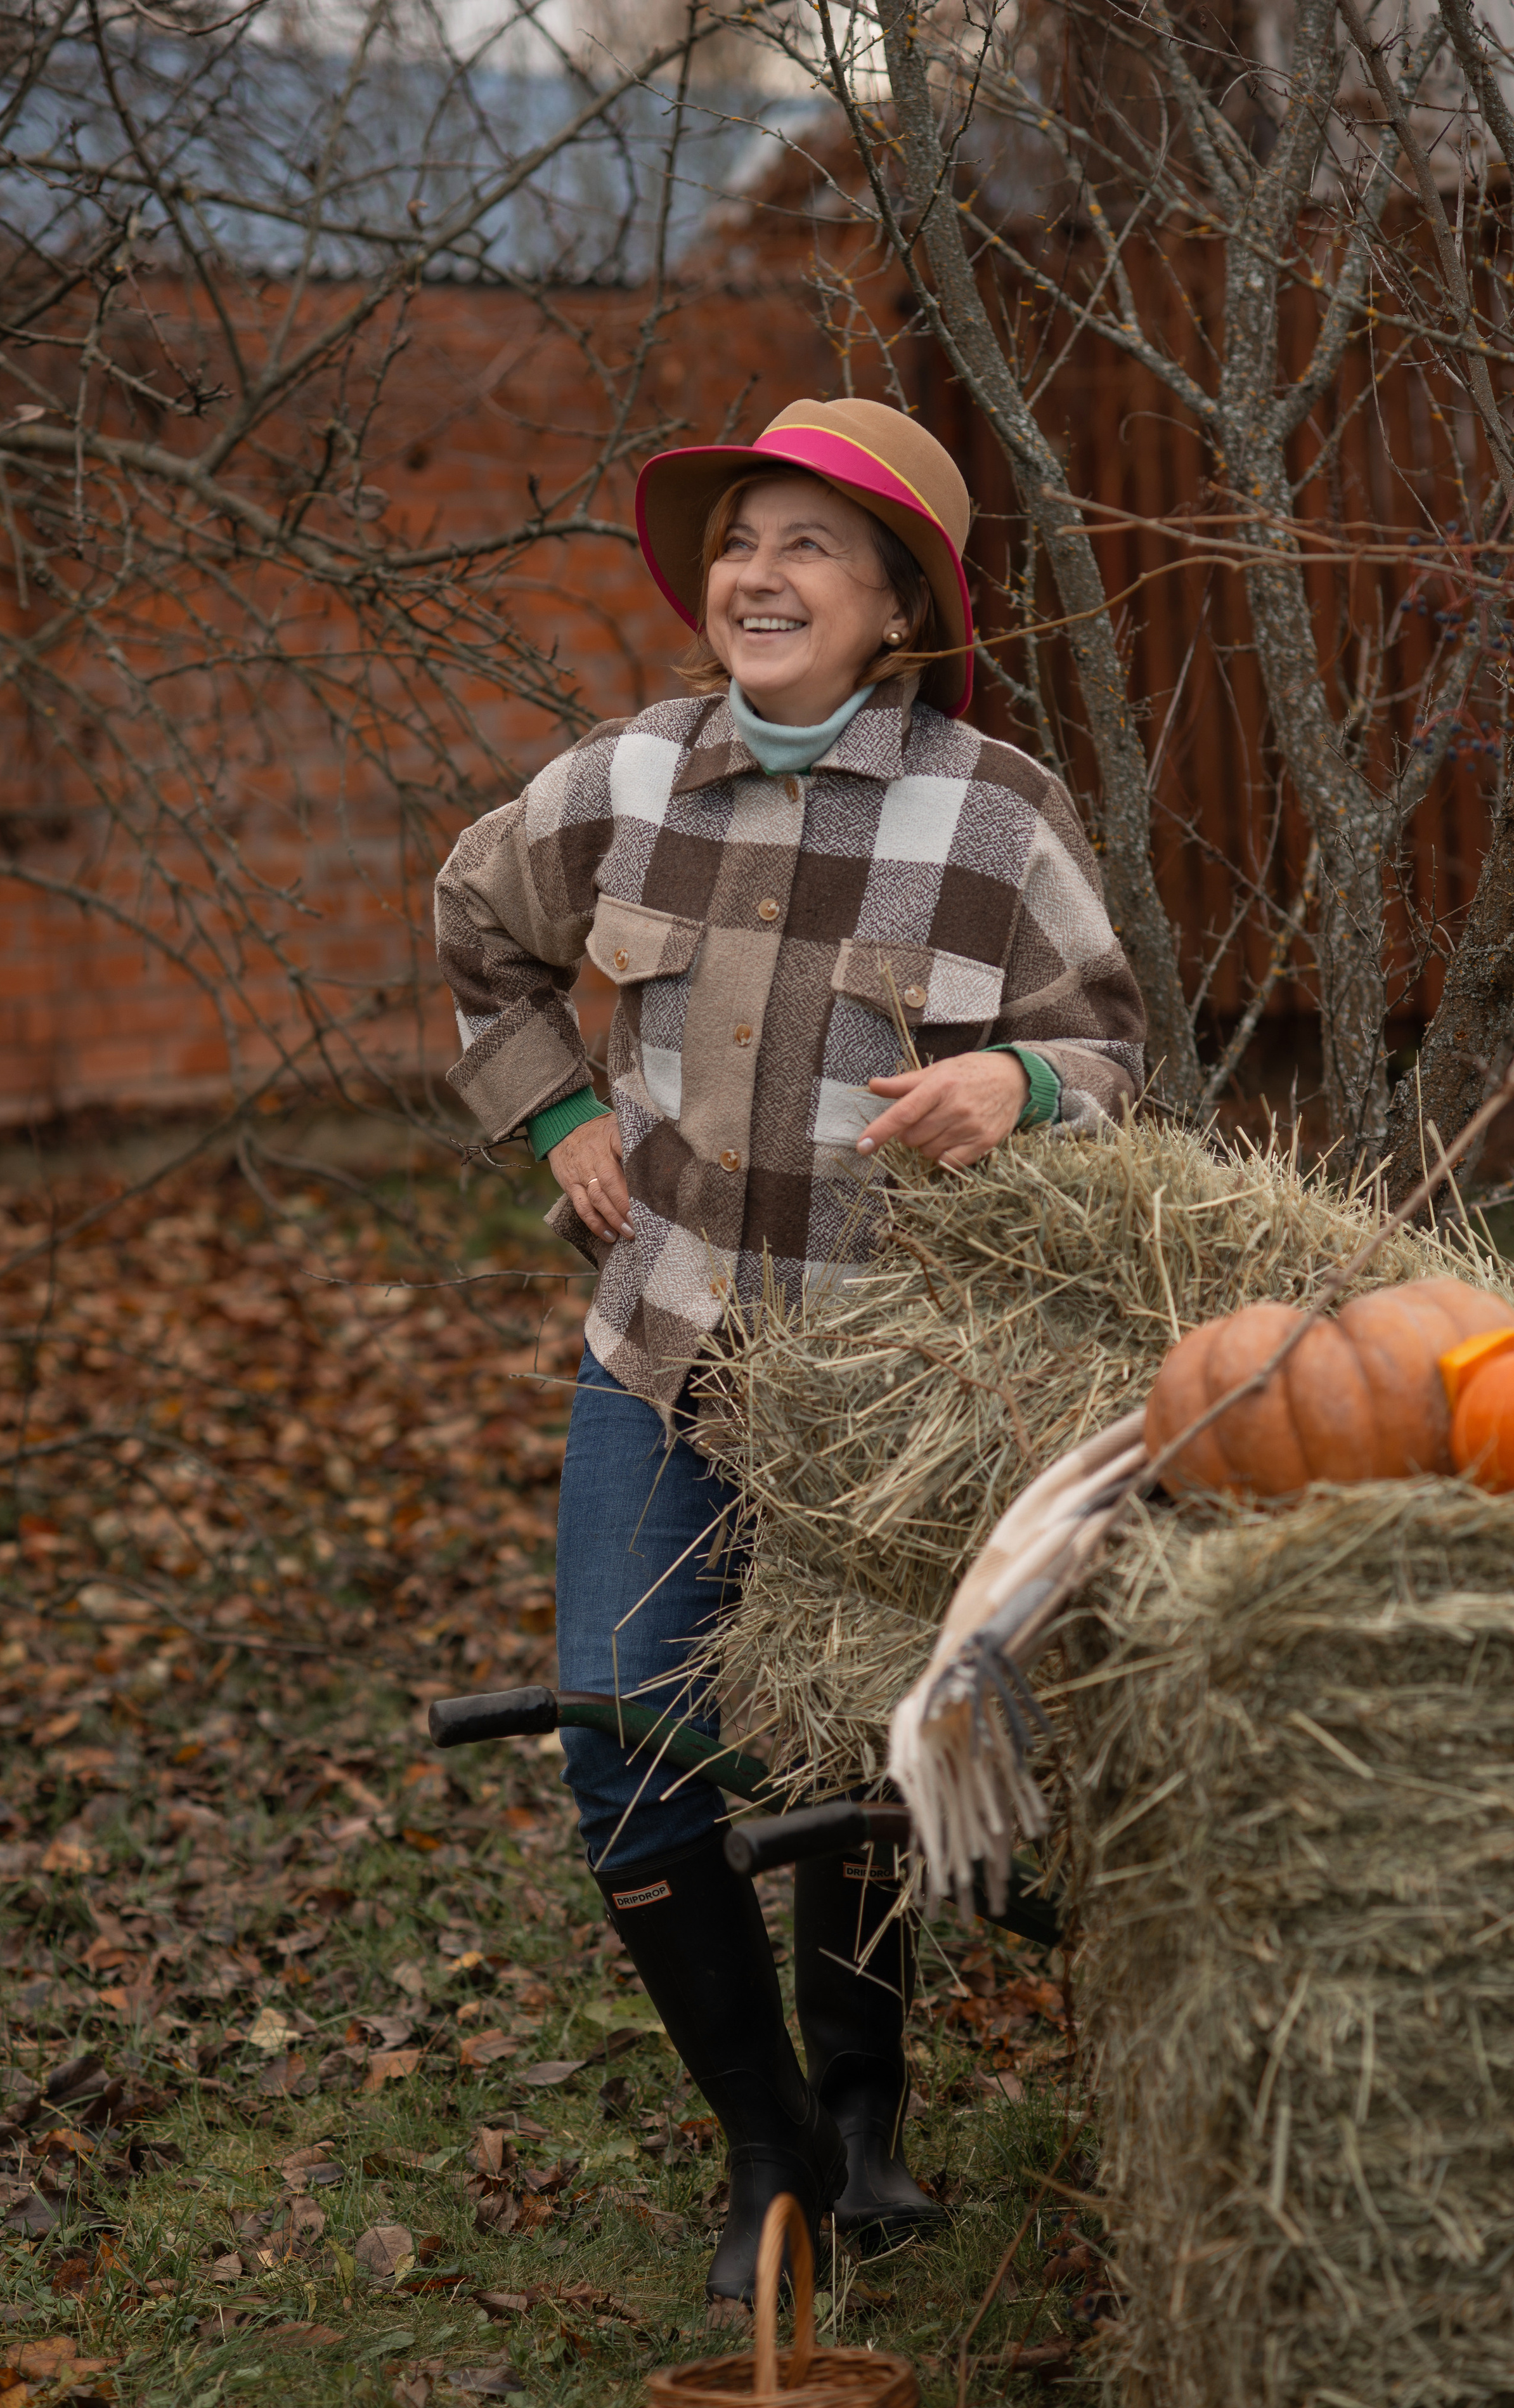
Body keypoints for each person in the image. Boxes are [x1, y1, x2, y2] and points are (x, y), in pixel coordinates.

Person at [434, 397, 1145, 2305]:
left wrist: (1018, 1079)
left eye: (814, 545)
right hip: (662, 1358)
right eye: (742, 537)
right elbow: (474, 926)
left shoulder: (992, 815)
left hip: (885, 1395)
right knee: (618, 1743)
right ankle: (757, 2142)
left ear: (898, 604)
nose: (762, 570)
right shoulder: (626, 785)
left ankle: (862, 2119)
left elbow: (1112, 1050)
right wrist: (553, 1112)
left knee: (859, 1751)